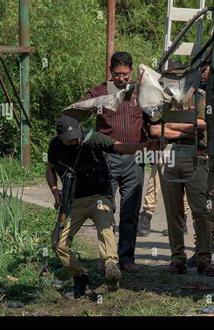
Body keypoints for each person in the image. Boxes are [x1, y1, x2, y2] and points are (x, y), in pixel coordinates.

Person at [46, 116, 158, 298]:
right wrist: (54, 190)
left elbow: (121, 147)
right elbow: (50, 169)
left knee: (106, 230)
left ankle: (110, 267)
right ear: (60, 138)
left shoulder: (93, 138)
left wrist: (145, 146)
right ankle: (80, 277)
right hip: (73, 201)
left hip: (99, 197)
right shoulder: (55, 146)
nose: (75, 140)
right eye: (70, 139)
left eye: (76, 136)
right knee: (59, 243)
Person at [77, 51, 150, 273]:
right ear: (111, 72)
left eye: (125, 74)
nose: (121, 78)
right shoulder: (101, 91)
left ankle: (126, 259)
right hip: (106, 158)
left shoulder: (140, 93)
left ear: (131, 72)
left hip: (134, 160)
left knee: (130, 211)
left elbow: (154, 120)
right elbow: (77, 109)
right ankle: (107, 258)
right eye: (117, 74)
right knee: (105, 210)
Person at [149, 62, 214, 276]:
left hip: (196, 157)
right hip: (169, 156)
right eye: (170, 76)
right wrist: (186, 130)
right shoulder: (161, 100)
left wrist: (170, 128)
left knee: (202, 211)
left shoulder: (198, 96)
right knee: (174, 212)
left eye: (178, 76)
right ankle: (177, 259)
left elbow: (202, 124)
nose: (174, 80)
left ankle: (203, 258)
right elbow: (153, 129)